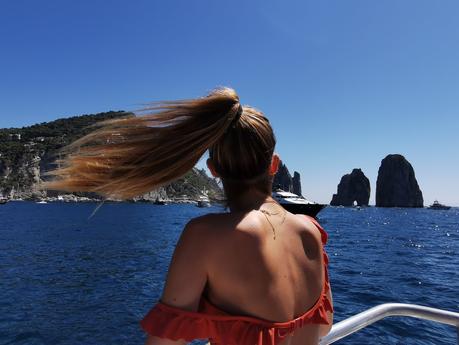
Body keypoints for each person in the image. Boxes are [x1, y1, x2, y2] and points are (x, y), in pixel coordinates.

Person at [45, 87, 333, 345]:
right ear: (274, 165)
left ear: (213, 169)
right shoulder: (311, 231)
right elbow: (322, 329)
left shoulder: (206, 235)